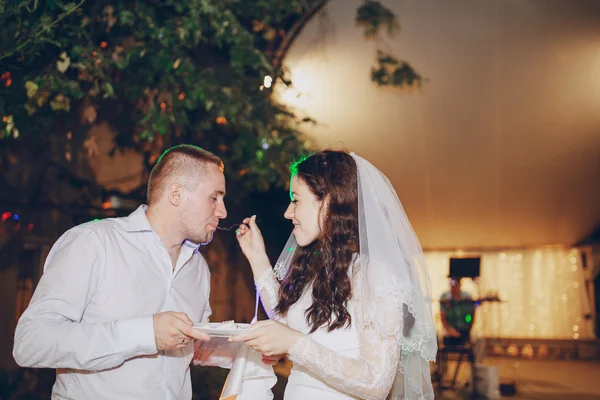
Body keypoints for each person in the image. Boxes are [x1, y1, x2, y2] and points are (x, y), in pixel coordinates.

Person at [13, 145, 257, 399]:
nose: (223, 211)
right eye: (214, 197)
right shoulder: (93, 242)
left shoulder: (198, 268)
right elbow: (31, 342)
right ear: (176, 194)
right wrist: (146, 333)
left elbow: (192, 347)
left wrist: (252, 350)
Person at [231, 150, 437, 400]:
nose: (288, 212)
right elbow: (286, 322)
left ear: (328, 202)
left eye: (295, 200)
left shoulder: (376, 273)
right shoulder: (317, 266)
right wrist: (258, 258)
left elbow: (376, 383)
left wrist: (294, 344)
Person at [439, 276, 475, 345]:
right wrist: (449, 330)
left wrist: (468, 329)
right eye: (452, 283)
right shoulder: (444, 297)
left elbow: (471, 316)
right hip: (449, 328)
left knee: (478, 338)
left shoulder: (467, 297)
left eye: (456, 284)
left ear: (460, 284)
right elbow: (443, 317)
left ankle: (473, 356)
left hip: (465, 329)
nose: (454, 286)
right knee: (439, 337)